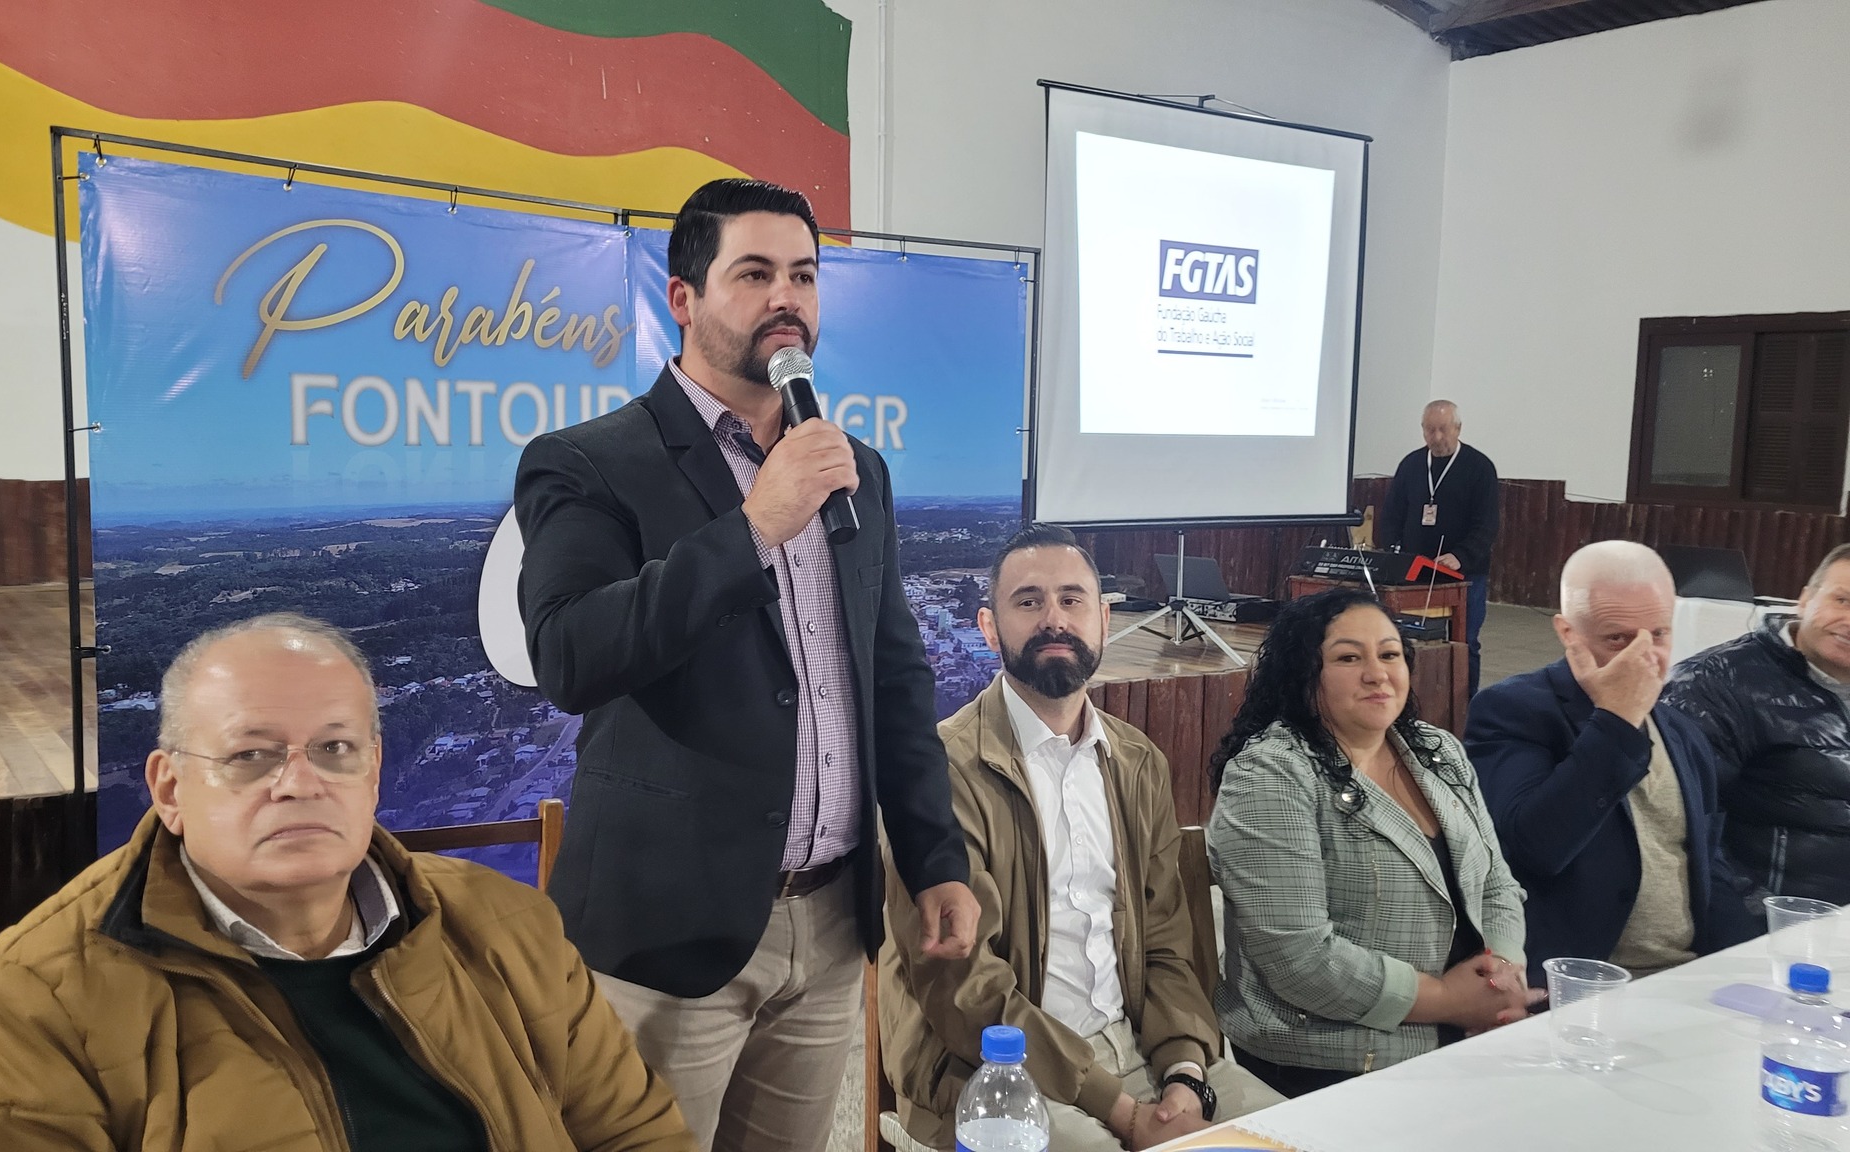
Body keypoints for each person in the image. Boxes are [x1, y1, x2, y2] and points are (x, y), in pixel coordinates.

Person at [513, 178, 977, 1152]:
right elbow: (569, 654)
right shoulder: (588, 461)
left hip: (830, 923)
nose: (786, 299)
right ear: (683, 299)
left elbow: (893, 678)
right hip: (666, 935)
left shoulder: (854, 468)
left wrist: (934, 857)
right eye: (755, 273)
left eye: (803, 275)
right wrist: (753, 526)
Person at [0, 613, 693, 1152]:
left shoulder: (505, 924)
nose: (299, 782)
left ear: (374, 772)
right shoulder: (34, 998)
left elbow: (632, 1133)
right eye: (250, 755)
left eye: (335, 749)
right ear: (169, 789)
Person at [879, 526, 1282, 1152]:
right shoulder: (940, 773)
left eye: (1072, 599)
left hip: (1143, 1047)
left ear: (1104, 618)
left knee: (1301, 1135)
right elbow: (964, 988)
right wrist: (1120, 1111)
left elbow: (1168, 941)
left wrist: (1184, 1073)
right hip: (990, 1069)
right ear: (989, 628)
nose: (1054, 619)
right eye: (1028, 601)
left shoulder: (1137, 762)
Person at [1206, 588, 1537, 1098]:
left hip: (1469, 1030)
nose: (1377, 673)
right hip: (1332, 1054)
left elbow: (1496, 883)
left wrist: (1502, 979)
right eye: (1348, 658)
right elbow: (1298, 958)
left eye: (1389, 654)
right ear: (1304, 674)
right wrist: (1448, 1001)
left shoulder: (1438, 752)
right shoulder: (1270, 773)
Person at [1466, 542, 1757, 981]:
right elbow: (1534, 850)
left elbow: (1706, 864)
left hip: (1685, 973)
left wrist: (1747, 965)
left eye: (1658, 634)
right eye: (1618, 639)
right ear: (1568, 633)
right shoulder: (1513, 710)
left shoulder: (1682, 730)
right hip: (1581, 981)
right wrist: (1617, 720)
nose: (1644, 656)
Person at [1666, 542, 1850, 907]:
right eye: (1841, 600)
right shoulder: (1715, 685)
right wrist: (1760, 917)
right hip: (1780, 920)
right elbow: (1678, 823)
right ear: (1804, 600)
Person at [1378, 400, 1498, 693]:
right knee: (1406, 639)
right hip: (1414, 571)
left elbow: (1487, 525)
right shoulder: (1411, 465)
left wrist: (1460, 556)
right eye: (1430, 430)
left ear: (1458, 428)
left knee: (1464, 641)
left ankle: (1465, 707)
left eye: (1443, 429)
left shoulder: (1479, 467)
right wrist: (1394, 552)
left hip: (1464, 573)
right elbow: (1391, 515)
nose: (1437, 437)